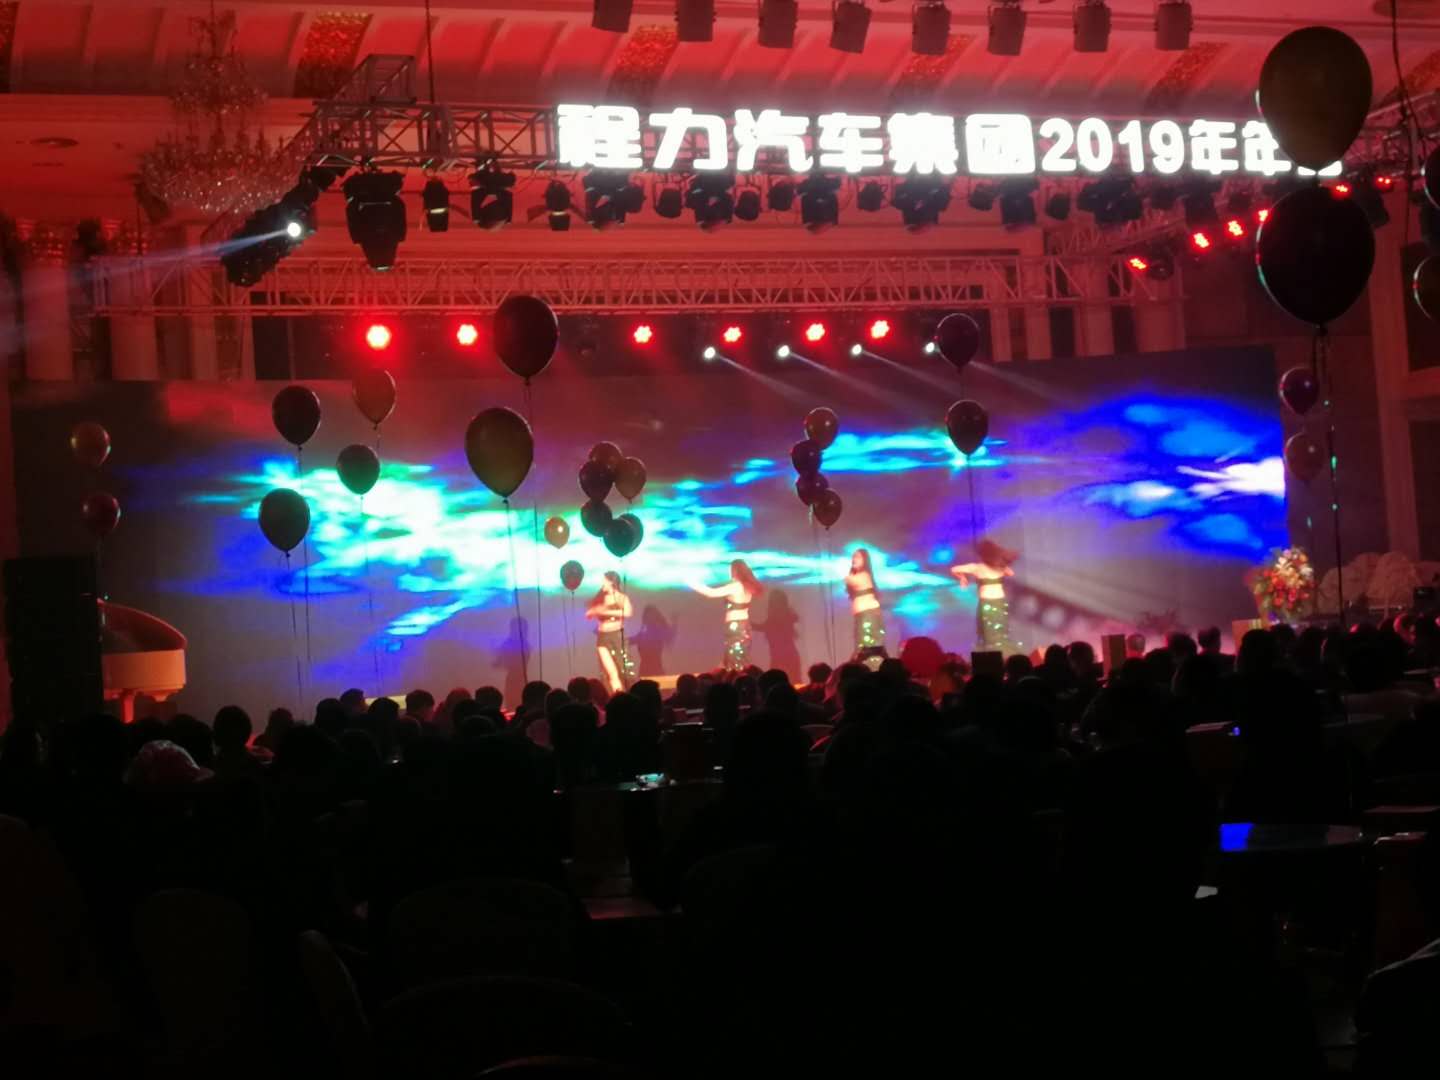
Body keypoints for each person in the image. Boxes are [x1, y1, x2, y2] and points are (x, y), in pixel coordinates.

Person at [692, 559, 765, 671]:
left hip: (736, 628)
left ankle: (736, 679)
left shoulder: (736, 586)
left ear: (734, 571)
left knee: (735, 662)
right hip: (744, 627)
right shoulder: (746, 586)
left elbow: (711, 593)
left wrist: (693, 583)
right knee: (735, 659)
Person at [950, 538, 1018, 653]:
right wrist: (1001, 567)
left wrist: (963, 578)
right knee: (998, 632)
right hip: (998, 603)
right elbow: (1011, 573)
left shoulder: (977, 568)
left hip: (990, 603)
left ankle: (993, 654)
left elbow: (954, 569)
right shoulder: (997, 567)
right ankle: (1000, 654)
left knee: (988, 633)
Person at [586, 572, 637, 694]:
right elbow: (589, 614)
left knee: (623, 669)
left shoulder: (621, 597)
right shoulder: (600, 598)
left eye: (604, 580)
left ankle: (629, 694)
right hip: (603, 637)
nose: (602, 583)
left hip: (617, 636)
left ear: (611, 582)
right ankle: (616, 695)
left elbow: (628, 613)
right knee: (610, 671)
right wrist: (594, 611)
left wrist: (606, 612)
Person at [846, 548, 885, 655]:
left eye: (858, 557)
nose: (854, 559)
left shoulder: (864, 575)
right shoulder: (857, 576)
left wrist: (850, 575)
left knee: (868, 644)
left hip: (868, 615)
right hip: (862, 615)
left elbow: (850, 580)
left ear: (865, 560)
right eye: (853, 557)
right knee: (863, 644)